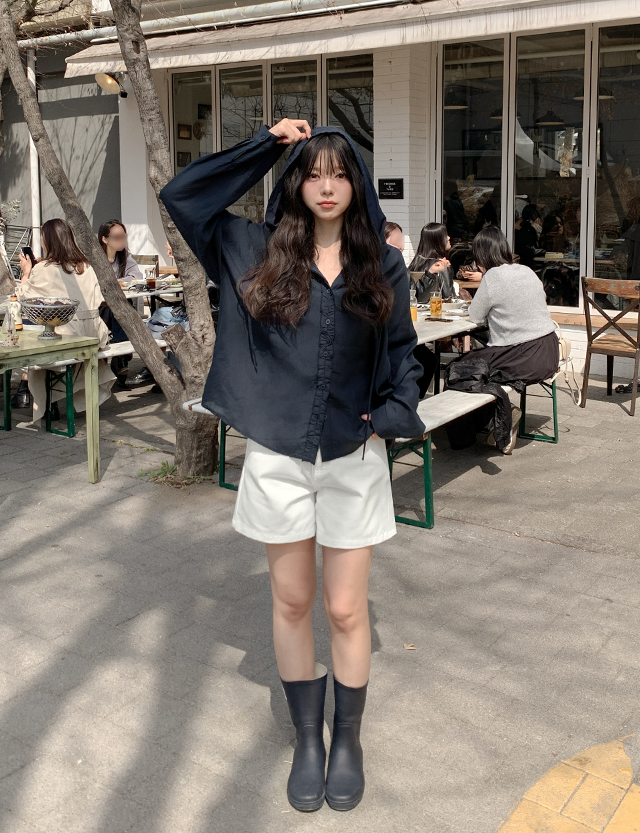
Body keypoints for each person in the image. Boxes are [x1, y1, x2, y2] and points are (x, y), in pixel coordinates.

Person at [160, 117, 424, 813]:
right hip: (278, 455)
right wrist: (268, 146)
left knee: (345, 607)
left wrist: (393, 414)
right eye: (312, 172)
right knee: (292, 601)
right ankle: (308, 738)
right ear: (297, 182)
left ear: (356, 183)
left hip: (353, 455)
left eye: (338, 173)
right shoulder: (253, 249)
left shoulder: (382, 263)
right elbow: (184, 196)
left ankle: (348, 740)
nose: (326, 186)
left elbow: (403, 351)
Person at [445, 226, 558, 454]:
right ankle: (495, 419)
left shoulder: (492, 277)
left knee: (459, 370)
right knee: (480, 368)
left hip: (521, 355)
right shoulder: (527, 270)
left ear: (481, 255)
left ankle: (479, 431)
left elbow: (475, 317)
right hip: (549, 351)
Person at [16, 218, 115, 420]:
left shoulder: (45, 269)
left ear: (48, 240)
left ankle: (43, 401)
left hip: (69, 335)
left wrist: (27, 272)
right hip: (94, 332)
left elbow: (24, 297)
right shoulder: (86, 266)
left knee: (32, 341)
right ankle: (41, 397)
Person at [98, 220, 144, 388]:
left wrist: (119, 281)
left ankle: (120, 358)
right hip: (100, 308)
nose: (121, 241)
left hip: (122, 305)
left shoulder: (125, 256)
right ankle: (121, 358)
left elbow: (137, 276)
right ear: (105, 239)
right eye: (117, 237)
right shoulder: (96, 259)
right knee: (120, 312)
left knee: (122, 310)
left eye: (123, 237)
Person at [408, 222, 456, 301]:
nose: (448, 238)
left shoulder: (416, 263)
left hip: (418, 306)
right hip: (437, 306)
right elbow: (448, 296)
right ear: (437, 240)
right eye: (445, 235)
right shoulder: (440, 264)